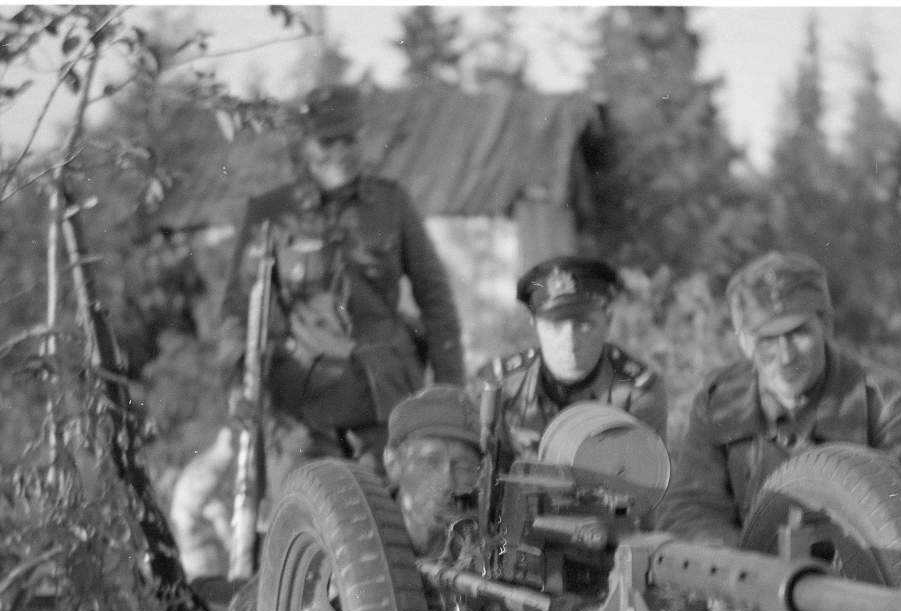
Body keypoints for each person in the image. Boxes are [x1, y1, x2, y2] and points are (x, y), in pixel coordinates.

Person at [216, 82, 465, 484]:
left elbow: (436, 300)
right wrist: (235, 383)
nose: (342, 152)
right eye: (328, 141)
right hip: (304, 406)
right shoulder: (274, 214)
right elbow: (239, 311)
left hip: (384, 401)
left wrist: (451, 387)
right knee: (303, 525)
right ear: (305, 146)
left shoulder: (391, 203)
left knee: (396, 524)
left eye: (350, 139)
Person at [656, 251, 901, 547]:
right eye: (767, 338)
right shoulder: (720, 400)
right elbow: (690, 508)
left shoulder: (879, 400)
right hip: (745, 578)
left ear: (826, 327)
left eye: (798, 333)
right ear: (744, 342)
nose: (785, 356)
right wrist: (737, 566)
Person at [471, 256, 666, 463]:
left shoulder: (637, 390)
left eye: (584, 325)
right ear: (534, 324)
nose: (570, 341)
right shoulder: (498, 384)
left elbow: (644, 482)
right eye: (555, 326)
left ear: (607, 321)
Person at [382, 385, 483, 555]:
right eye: (430, 462)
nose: (447, 483)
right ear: (393, 463)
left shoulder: (485, 547)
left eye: (463, 466)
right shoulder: (353, 535)